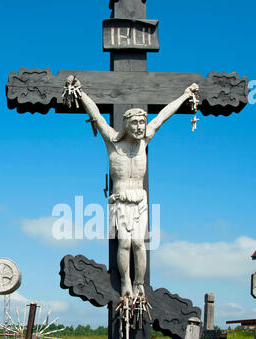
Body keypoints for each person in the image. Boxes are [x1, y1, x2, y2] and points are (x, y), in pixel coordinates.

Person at [65, 77, 199, 298]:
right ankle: (126, 281)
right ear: (127, 125)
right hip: (119, 200)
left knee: (139, 243)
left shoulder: (145, 140)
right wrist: (78, 92)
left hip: (139, 200)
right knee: (124, 243)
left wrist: (185, 96)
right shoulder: (113, 142)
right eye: (135, 123)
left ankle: (139, 284)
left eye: (142, 122)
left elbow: (164, 115)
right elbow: (96, 116)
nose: (139, 127)